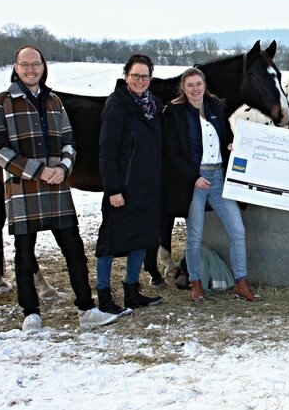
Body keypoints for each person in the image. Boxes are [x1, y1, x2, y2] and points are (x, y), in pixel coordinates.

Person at [0, 45, 119, 333]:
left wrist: (63, 168)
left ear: (43, 67)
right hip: (23, 190)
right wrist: (39, 171)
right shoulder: (2, 103)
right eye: (25, 64)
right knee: (24, 254)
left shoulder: (55, 102)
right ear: (16, 67)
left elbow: (70, 143)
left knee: (74, 251)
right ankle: (31, 313)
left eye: (36, 64)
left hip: (57, 188)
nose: (31, 69)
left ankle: (86, 309)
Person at [163, 67, 261, 302]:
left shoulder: (216, 107)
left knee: (238, 230)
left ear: (204, 85)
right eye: (190, 85)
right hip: (195, 180)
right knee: (195, 235)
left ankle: (241, 283)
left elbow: (227, 136)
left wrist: (231, 146)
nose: (195, 89)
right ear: (183, 88)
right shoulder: (175, 112)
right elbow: (172, 153)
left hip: (218, 177)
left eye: (198, 84)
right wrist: (193, 178)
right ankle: (196, 283)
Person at [95, 54, 164, 315]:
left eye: (145, 76)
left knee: (142, 238)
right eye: (135, 75)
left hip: (147, 187)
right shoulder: (117, 106)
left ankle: (132, 292)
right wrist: (113, 189)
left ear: (150, 79)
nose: (140, 80)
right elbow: (107, 151)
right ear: (126, 76)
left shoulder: (154, 107)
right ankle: (104, 296)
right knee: (109, 242)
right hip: (122, 188)